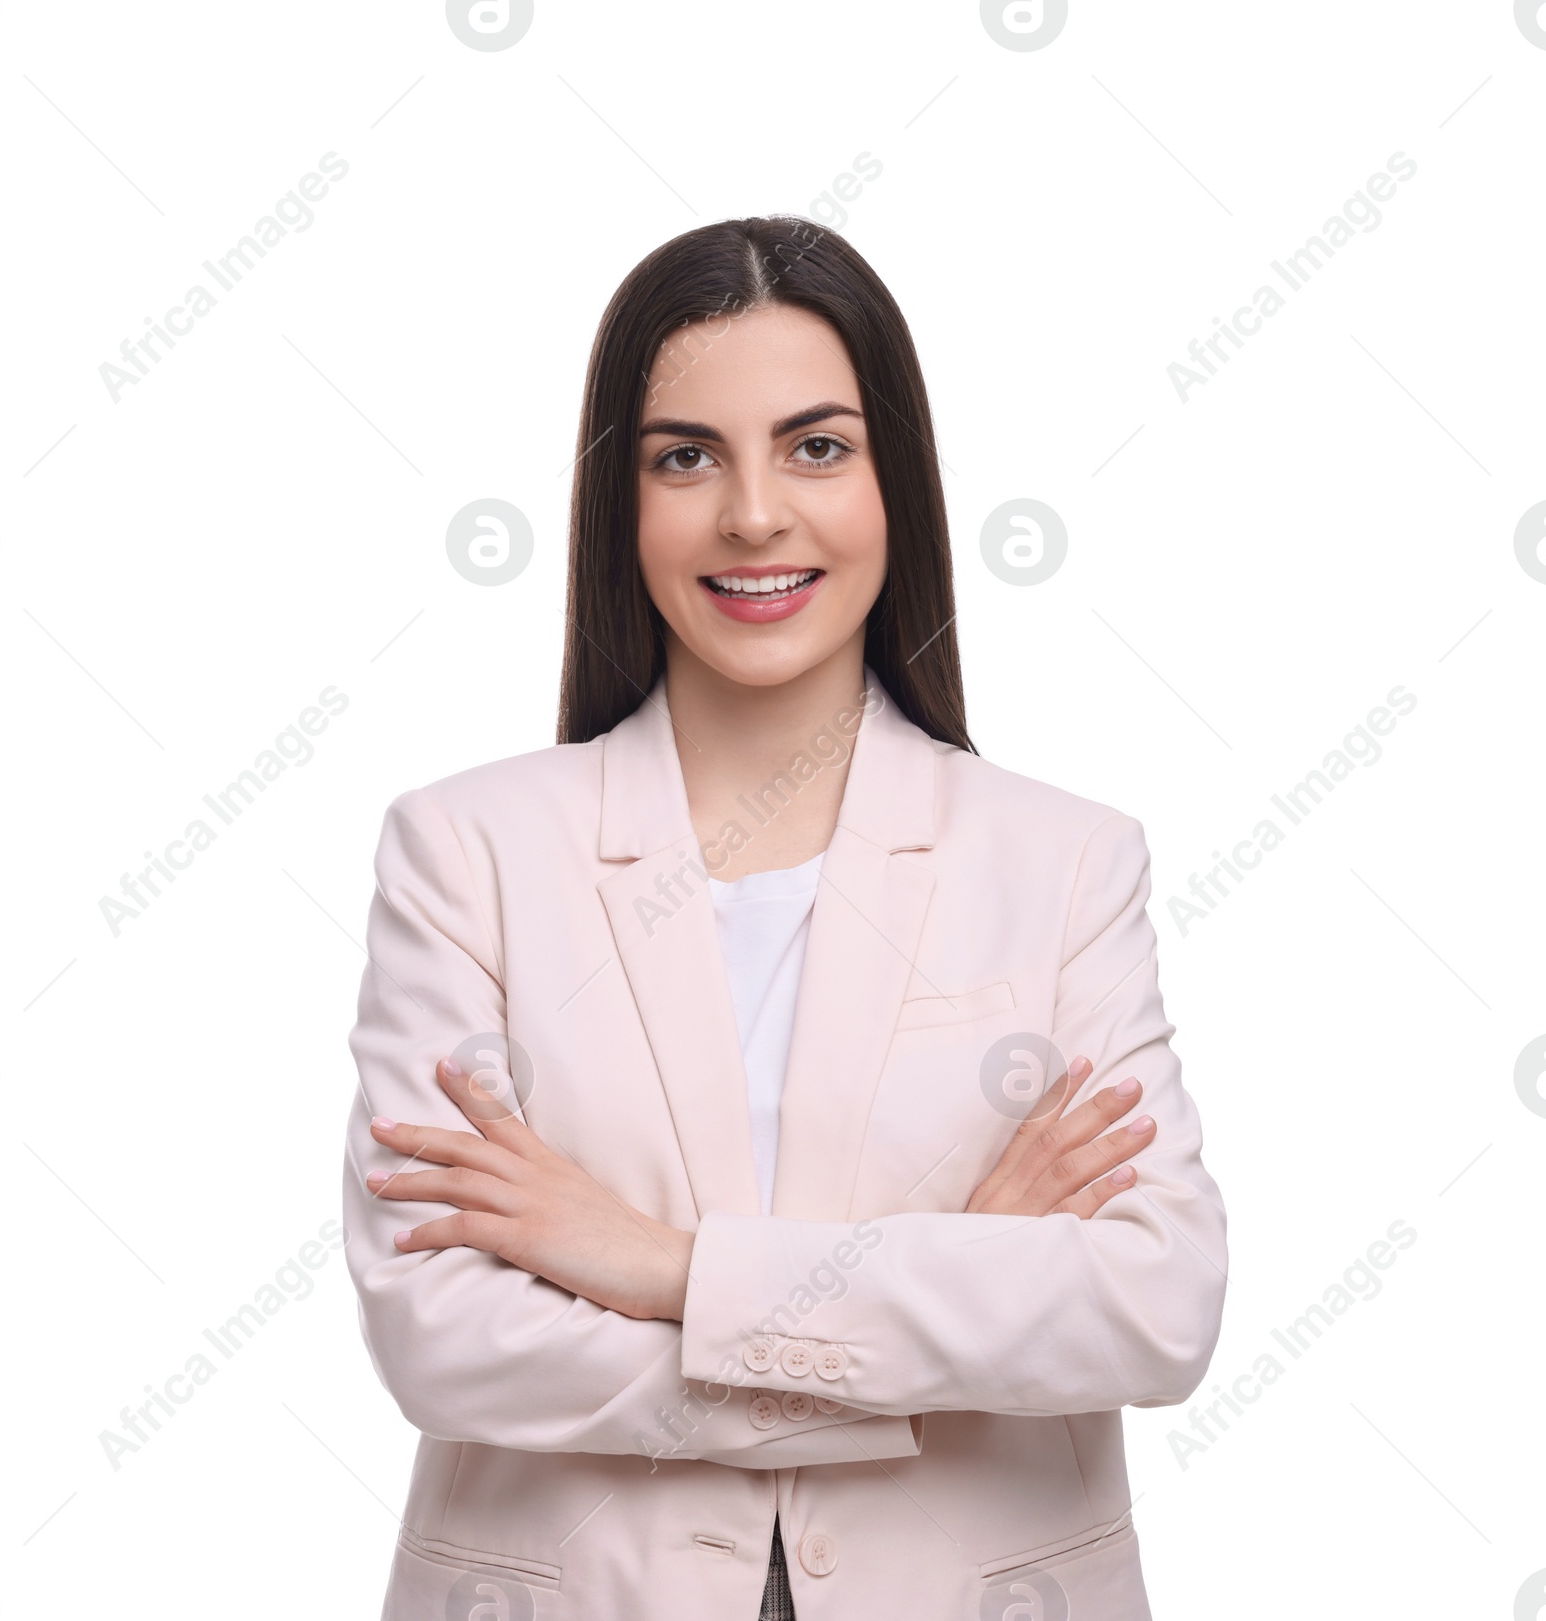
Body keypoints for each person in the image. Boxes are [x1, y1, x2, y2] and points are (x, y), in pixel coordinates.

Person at [343, 216, 1227, 1620]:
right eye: (685, 456)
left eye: (817, 445)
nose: (754, 513)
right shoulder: (470, 850)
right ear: (619, 502)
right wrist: (943, 1311)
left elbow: (1154, 1302)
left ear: (899, 485)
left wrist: (656, 1265)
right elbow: (443, 1333)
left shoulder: (1064, 860)